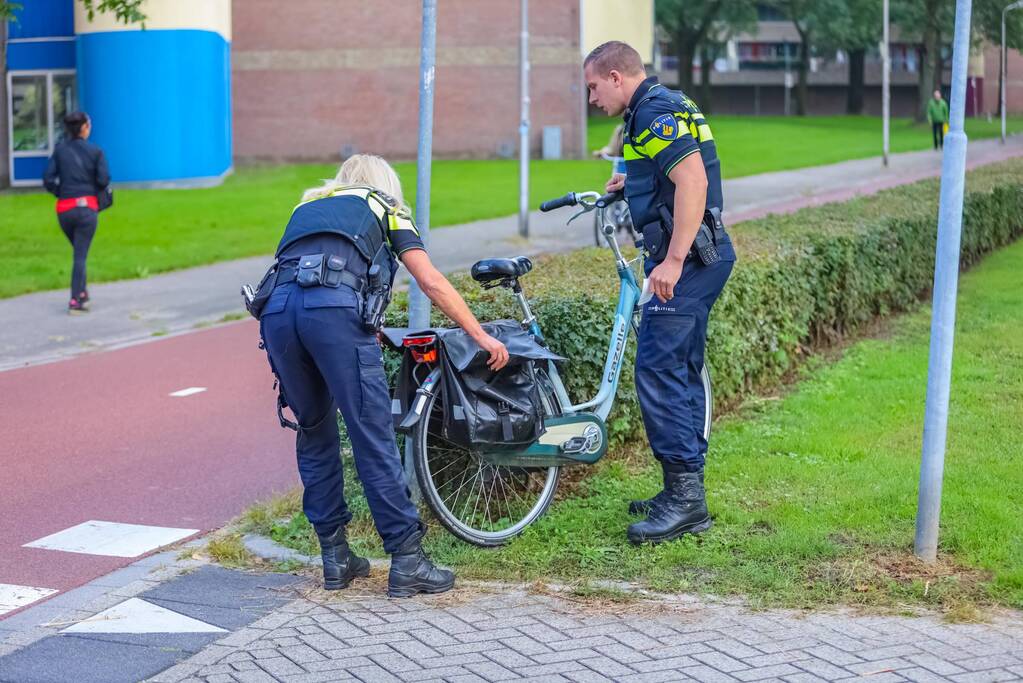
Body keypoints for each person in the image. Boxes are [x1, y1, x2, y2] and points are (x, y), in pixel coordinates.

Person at [258, 154, 509, 597]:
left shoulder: (306, 206)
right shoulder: (385, 205)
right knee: (371, 433)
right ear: (383, 183)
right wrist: (480, 335)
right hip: (333, 314)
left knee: (314, 432)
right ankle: (407, 560)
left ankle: (336, 558)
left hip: (276, 314)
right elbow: (428, 280)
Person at [584, 41, 736, 545]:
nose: (590, 99)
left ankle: (686, 499)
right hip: (700, 256)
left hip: (688, 260)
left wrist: (671, 260)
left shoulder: (652, 113)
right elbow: (659, 172)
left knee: (658, 368)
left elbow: (692, 182)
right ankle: (684, 490)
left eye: (592, 87)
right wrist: (624, 183)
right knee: (679, 368)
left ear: (614, 76)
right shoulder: (656, 108)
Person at [43, 111, 110, 314]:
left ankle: (82, 292)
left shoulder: (60, 151)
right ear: (84, 128)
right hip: (87, 209)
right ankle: (75, 300)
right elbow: (104, 180)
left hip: (64, 210)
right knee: (80, 255)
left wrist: (61, 192)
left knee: (79, 252)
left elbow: (47, 179)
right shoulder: (96, 152)